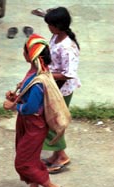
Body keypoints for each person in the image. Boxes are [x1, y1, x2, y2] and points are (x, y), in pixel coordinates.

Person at [3, 34, 64, 187]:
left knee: (22, 162)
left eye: (25, 50)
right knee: (33, 160)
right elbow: (29, 99)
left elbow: (31, 108)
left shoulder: (38, 80)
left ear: (31, 55)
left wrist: (13, 106)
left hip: (34, 126)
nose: (23, 52)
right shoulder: (34, 72)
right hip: (28, 124)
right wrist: (16, 97)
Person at [42, 7, 81, 174]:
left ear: (58, 25)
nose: (48, 27)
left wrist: (46, 74)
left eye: (50, 24)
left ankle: (61, 156)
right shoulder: (56, 36)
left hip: (61, 90)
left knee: (54, 123)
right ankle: (57, 155)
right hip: (53, 86)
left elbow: (68, 74)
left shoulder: (67, 47)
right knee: (53, 121)